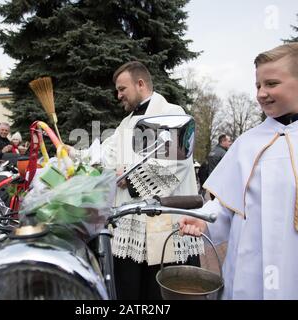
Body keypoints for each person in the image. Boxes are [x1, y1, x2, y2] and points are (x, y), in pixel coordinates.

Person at [179, 42, 298, 300]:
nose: (261, 93)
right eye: (258, 85)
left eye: (271, 84)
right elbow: (227, 208)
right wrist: (203, 219)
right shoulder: (245, 143)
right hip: (248, 274)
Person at [68, 61, 200, 299]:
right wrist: (73, 154)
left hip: (163, 223)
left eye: (122, 89)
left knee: (158, 294)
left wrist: (129, 177)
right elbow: (104, 155)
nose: (118, 95)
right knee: (127, 292)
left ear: (140, 84)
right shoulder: (125, 123)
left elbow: (176, 163)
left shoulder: (172, 112)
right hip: (130, 225)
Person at [200, 134, 232, 199]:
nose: (230, 143)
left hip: (211, 181)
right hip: (220, 184)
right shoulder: (223, 153)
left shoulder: (212, 151)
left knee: (213, 202)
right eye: (228, 141)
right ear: (223, 142)